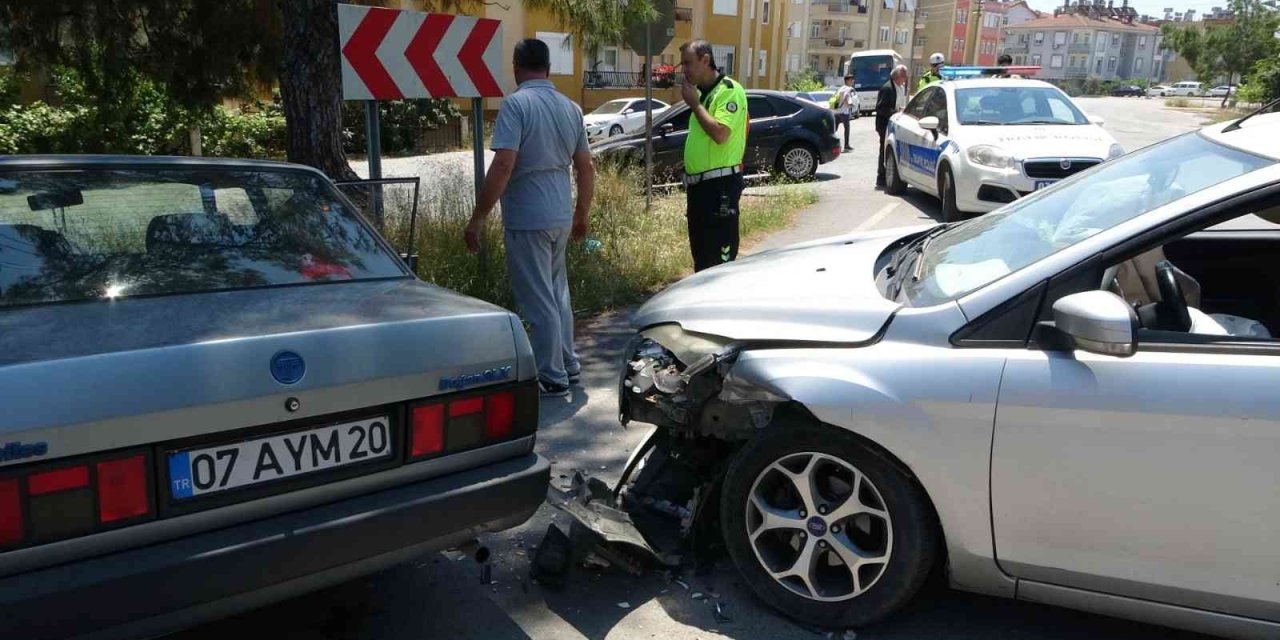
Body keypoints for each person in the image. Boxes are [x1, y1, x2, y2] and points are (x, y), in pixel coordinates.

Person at [464, 38, 595, 398]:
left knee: (538, 299)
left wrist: (478, 218)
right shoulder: (571, 108)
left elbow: (504, 164)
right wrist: (581, 213)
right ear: (548, 68)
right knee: (557, 293)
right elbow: (585, 166)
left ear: (517, 67)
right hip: (559, 214)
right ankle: (568, 364)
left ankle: (552, 374)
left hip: (528, 217)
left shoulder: (517, 105)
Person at [678, 39, 749, 272]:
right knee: (702, 262)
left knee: (719, 266)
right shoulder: (703, 94)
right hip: (700, 189)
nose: (684, 69)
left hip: (720, 188)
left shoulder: (728, 91)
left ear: (705, 60)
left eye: (688, 63)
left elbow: (720, 134)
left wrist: (695, 106)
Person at [876, 65, 910, 188]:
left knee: (892, 149)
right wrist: (896, 111)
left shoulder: (899, 87)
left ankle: (889, 175)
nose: (905, 79)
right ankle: (881, 177)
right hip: (885, 125)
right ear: (897, 76)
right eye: (904, 76)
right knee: (884, 150)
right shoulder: (887, 88)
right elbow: (881, 108)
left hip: (895, 124)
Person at [835, 73, 860, 152]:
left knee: (834, 129)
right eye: (852, 80)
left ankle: (827, 144)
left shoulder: (841, 88)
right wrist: (850, 104)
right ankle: (846, 146)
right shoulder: (848, 89)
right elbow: (846, 98)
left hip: (837, 112)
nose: (853, 81)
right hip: (844, 112)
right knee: (847, 129)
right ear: (847, 80)